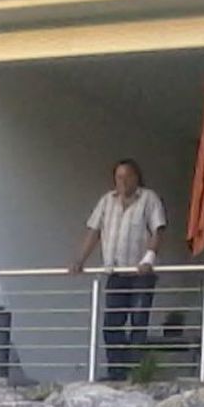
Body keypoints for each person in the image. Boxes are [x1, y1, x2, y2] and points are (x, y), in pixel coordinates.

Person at [68, 159, 167, 379]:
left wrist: (148, 259)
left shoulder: (149, 199)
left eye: (127, 176)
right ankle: (117, 371)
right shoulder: (107, 201)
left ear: (137, 177)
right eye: (118, 176)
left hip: (140, 274)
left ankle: (135, 373)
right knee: (112, 324)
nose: (122, 181)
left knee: (138, 322)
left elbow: (157, 231)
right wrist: (80, 260)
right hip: (115, 273)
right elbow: (93, 232)